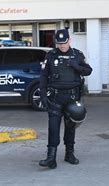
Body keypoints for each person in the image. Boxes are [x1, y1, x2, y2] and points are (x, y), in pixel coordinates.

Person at [39, 29, 92, 169]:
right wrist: (43, 95)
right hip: (55, 97)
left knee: (70, 127)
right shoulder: (50, 55)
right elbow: (43, 77)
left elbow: (88, 71)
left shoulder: (77, 55)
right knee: (53, 127)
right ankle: (51, 158)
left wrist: (77, 66)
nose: (62, 46)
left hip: (72, 97)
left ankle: (69, 154)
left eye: (64, 42)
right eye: (59, 43)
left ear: (69, 40)